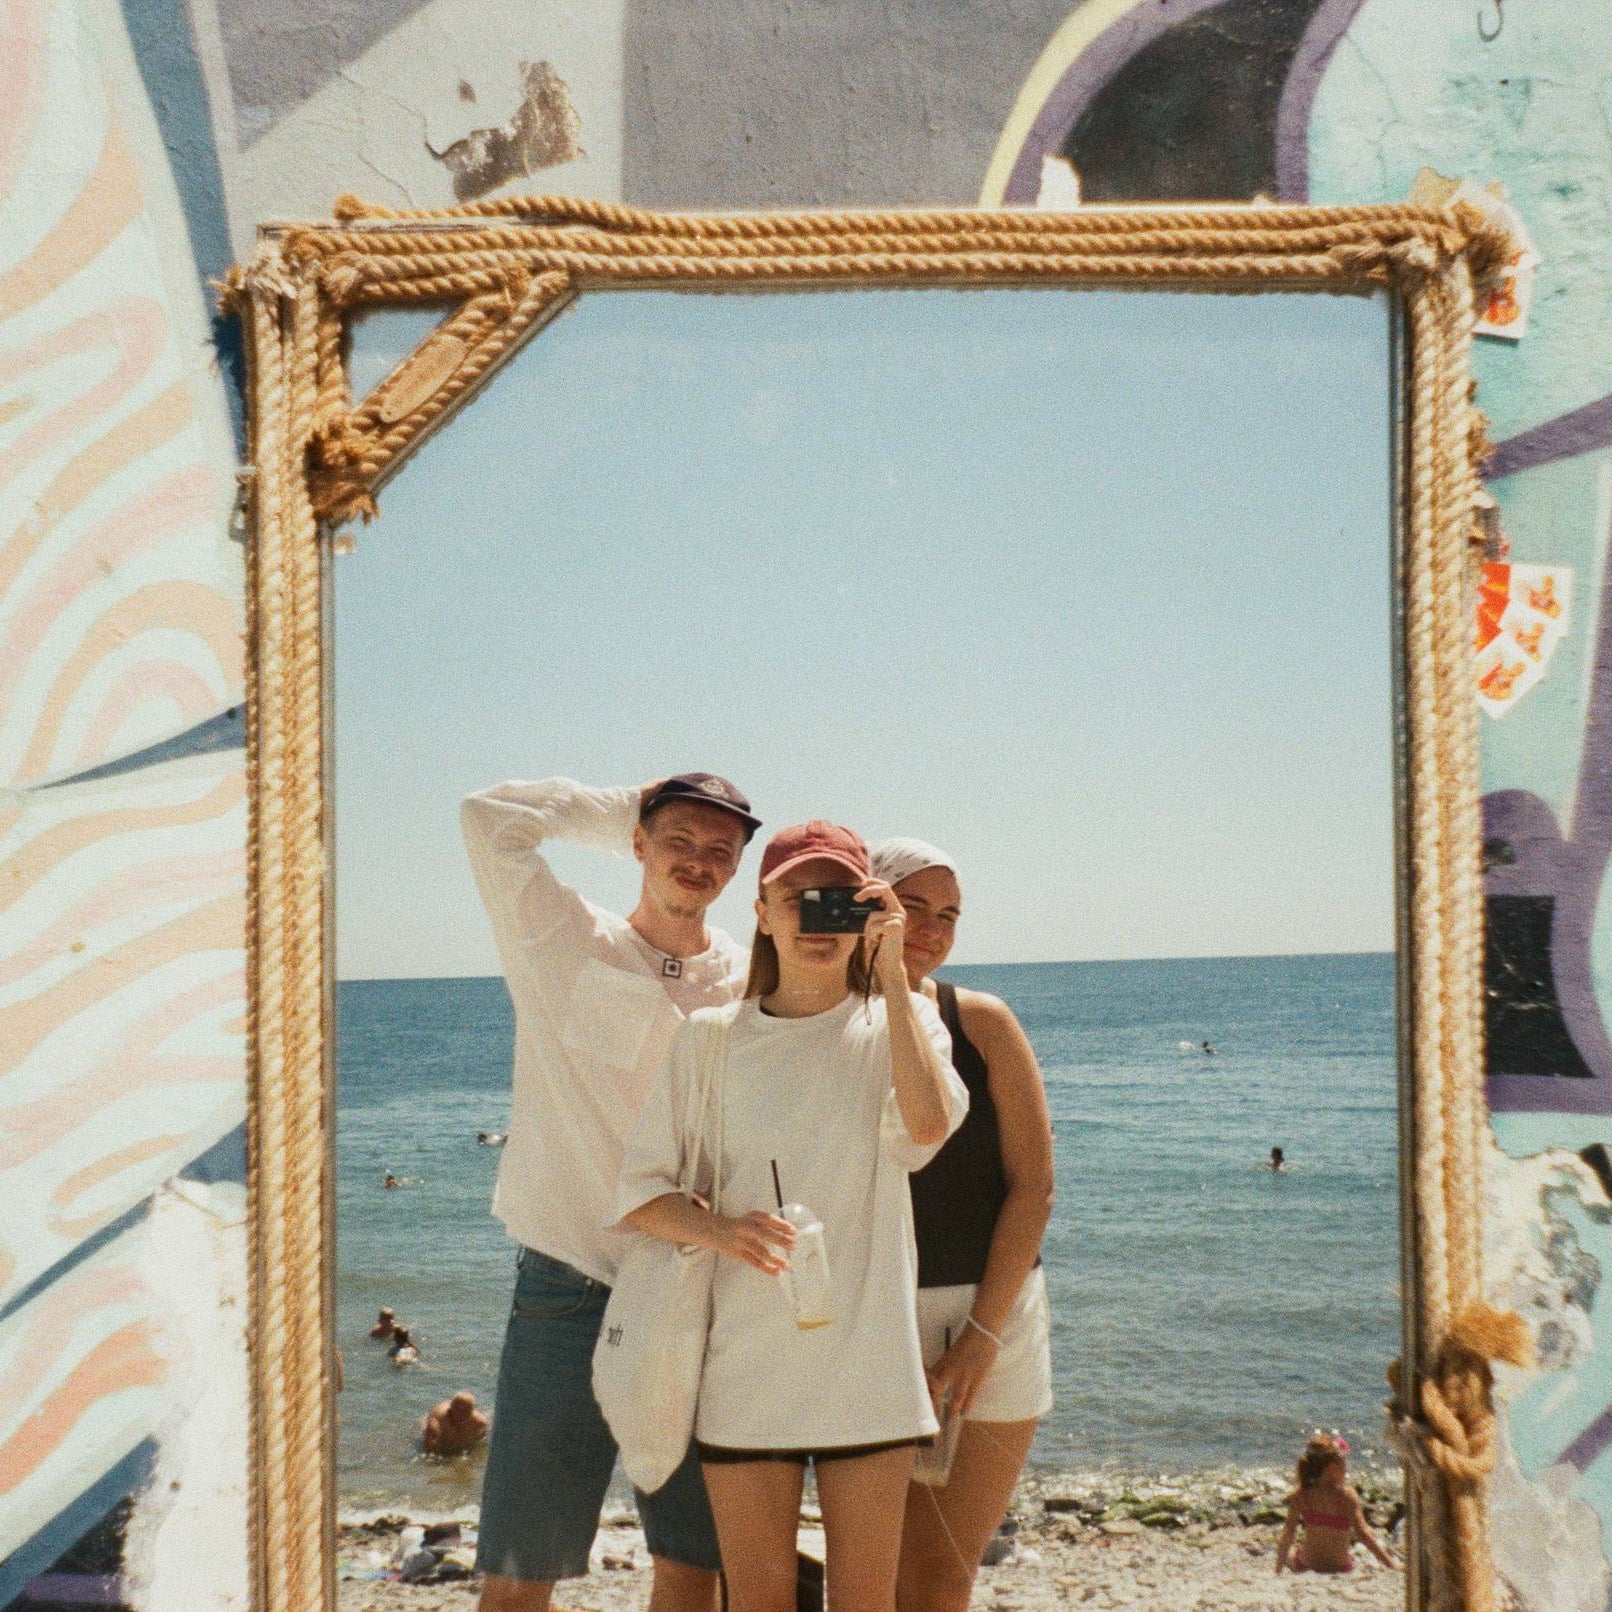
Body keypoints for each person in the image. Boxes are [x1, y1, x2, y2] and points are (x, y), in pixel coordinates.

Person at [616, 821, 968, 1612]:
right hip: (744, 1369)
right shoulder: (708, 1041)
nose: (819, 920)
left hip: (870, 1368)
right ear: (764, 912)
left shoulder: (904, 1025)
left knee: (865, 1604)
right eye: (799, 899)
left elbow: (924, 1130)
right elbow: (641, 1194)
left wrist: (893, 976)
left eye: (841, 900)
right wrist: (723, 1231)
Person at [461, 772, 760, 1612]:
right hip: (567, 1280)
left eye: (719, 850)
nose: (697, 861)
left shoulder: (751, 979)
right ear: (637, 841)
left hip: (698, 1287)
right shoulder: (561, 938)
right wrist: (635, 803)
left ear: (738, 868)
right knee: (523, 1562)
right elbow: (490, 818)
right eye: (677, 839)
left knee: (692, 1561)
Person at [867, 839, 1056, 1612]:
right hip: (873, 1321)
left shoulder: (980, 1021)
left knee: (944, 1576)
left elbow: (1034, 1188)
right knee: (874, 1577)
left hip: (997, 1318)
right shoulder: (824, 1023)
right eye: (913, 907)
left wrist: (982, 1333)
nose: (934, 929)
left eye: (949, 915)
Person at [1275, 1432, 1397, 1575]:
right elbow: (1364, 1534)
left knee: (1292, 1552)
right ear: (1332, 1467)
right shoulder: (1347, 1496)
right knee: (1354, 1555)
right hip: (1341, 1568)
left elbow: (1288, 1533)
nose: (1346, 1469)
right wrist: (1391, 1565)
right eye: (1344, 1464)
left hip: (1307, 1565)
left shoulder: (1302, 1493)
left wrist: (1277, 1570)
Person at [422, 1391, 491, 1456]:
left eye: (465, 1411)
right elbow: (430, 1449)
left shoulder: (480, 1423)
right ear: (451, 1407)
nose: (460, 1414)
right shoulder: (438, 1419)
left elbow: (479, 1444)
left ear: (471, 1411)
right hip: (433, 1425)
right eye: (457, 1409)